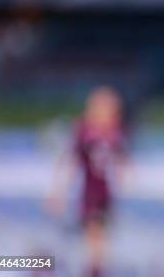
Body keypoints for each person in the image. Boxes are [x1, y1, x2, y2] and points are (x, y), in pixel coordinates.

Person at [46, 86, 129, 277]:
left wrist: (125, 172)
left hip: (106, 194)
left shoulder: (115, 132)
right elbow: (70, 161)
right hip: (89, 193)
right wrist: (58, 192)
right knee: (94, 239)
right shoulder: (83, 130)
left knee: (100, 242)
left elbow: (121, 157)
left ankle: (96, 270)